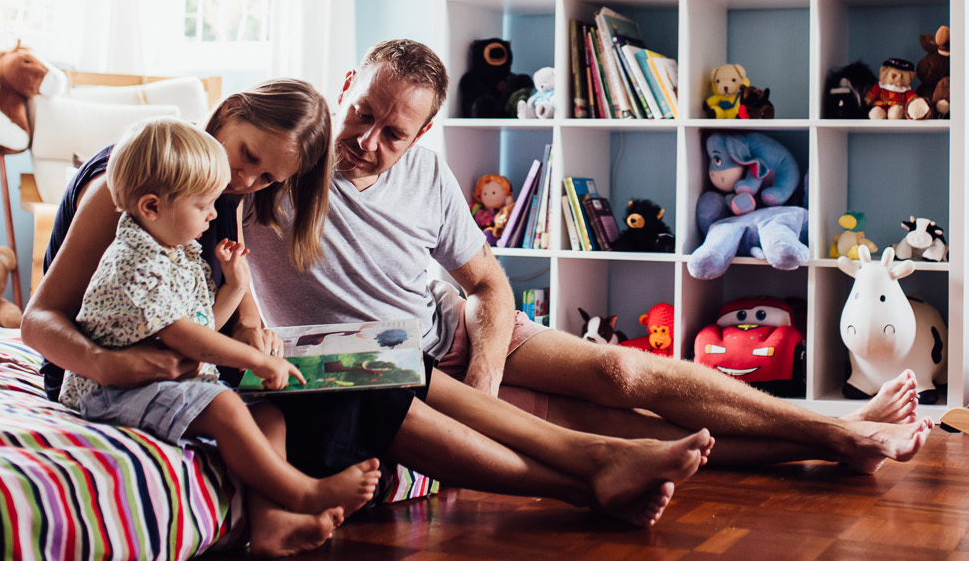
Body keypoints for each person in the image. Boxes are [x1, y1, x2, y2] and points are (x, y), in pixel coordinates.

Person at [24, 78, 713, 557]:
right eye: (247, 158)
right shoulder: (137, 178)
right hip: (107, 374)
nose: (246, 182)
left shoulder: (224, 195)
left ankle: (592, 463)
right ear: (228, 111)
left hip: (187, 366)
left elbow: (232, 314)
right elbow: (39, 321)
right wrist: (112, 363)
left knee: (378, 354)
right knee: (360, 376)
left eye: (267, 180)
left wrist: (260, 333)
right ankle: (585, 476)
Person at [245, 40, 933, 473]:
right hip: (397, 371)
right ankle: (837, 443)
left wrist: (486, 361)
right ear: (344, 86)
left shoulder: (425, 174)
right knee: (620, 430)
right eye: (362, 113)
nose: (367, 141)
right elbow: (177, 176)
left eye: (393, 132)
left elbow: (486, 282)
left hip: (459, 334)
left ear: (424, 130)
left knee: (623, 370)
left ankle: (835, 427)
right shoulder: (271, 167)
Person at [58, 115, 383, 545]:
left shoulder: (174, 249)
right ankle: (305, 492)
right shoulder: (134, 259)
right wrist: (253, 358)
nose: (216, 213)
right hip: (113, 390)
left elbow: (199, 322)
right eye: (203, 205)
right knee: (228, 409)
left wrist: (235, 287)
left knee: (268, 414)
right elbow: (183, 337)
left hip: (163, 379)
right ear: (152, 207)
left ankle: (269, 522)